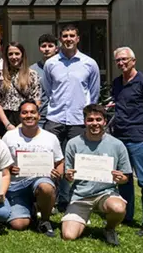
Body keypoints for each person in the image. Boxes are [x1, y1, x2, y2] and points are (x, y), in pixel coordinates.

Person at [43, 24, 100, 210]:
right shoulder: (51, 63)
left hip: (77, 120)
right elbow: (48, 89)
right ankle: (52, 198)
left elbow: (94, 92)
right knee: (51, 160)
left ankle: (73, 200)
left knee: (76, 161)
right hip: (55, 118)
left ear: (78, 38)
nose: (68, 39)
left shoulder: (89, 63)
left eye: (72, 35)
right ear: (60, 39)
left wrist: (87, 114)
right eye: (65, 36)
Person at [62, 104, 132, 246]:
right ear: (84, 121)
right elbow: (67, 174)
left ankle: (109, 229)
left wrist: (120, 179)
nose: (95, 123)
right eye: (90, 120)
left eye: (98, 119)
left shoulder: (117, 145)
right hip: (80, 196)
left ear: (104, 121)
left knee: (118, 208)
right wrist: (68, 176)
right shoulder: (73, 143)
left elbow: (126, 177)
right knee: (68, 236)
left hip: (106, 193)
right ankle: (81, 218)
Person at [111, 46, 143, 235]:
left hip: (138, 139)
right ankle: (126, 215)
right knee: (123, 179)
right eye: (118, 60)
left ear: (133, 61)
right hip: (119, 138)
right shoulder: (117, 83)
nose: (121, 63)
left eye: (124, 59)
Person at [1, 100, 63, 237]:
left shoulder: (50, 138)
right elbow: (0, 162)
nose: (29, 115)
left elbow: (59, 162)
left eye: (32, 112)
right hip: (16, 186)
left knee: (46, 187)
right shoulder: (9, 137)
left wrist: (57, 174)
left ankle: (45, 220)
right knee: (18, 225)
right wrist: (9, 168)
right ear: (19, 116)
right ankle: (32, 208)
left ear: (39, 116)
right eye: (25, 113)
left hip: (40, 181)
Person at [0, 42, 41, 133]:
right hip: (5, 118)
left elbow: (36, 100)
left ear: (22, 55)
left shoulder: (32, 75)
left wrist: (23, 123)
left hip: (26, 117)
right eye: (10, 54)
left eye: (17, 54)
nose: (14, 57)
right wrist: (7, 124)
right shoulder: (0, 75)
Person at [29, 34, 58, 127]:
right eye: (43, 46)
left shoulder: (62, 68)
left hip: (57, 116)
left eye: (50, 46)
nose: (47, 49)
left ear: (56, 48)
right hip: (39, 116)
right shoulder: (32, 70)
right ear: (39, 48)